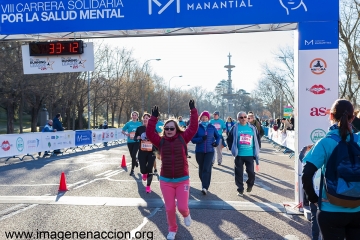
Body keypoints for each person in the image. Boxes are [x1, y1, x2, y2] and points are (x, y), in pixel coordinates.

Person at [302, 99, 360, 240]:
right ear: (353, 117)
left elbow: (307, 174)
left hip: (330, 209)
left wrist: (313, 198)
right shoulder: (358, 141)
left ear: (331, 116)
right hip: (358, 209)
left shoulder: (325, 143)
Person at [146, 100, 198, 240]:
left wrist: (193, 111)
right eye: (167, 128)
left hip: (182, 180)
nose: (169, 130)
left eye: (172, 128)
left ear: (176, 129)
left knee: (181, 207)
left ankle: (186, 214)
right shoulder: (160, 141)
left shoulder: (183, 138)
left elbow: (193, 127)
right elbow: (150, 132)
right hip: (166, 180)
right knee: (169, 209)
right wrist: (153, 118)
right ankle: (172, 229)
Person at [226, 111, 260, 197]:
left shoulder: (252, 128)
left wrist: (257, 149)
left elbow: (257, 139)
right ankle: (240, 189)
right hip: (239, 155)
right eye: (241, 117)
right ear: (238, 119)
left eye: (245, 117)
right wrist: (232, 148)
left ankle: (250, 184)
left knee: (251, 172)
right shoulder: (235, 128)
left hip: (250, 154)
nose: (244, 119)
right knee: (238, 173)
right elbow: (229, 139)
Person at [191, 111, 220, 195]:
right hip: (199, 151)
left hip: (210, 151)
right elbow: (193, 140)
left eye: (206, 117)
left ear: (208, 118)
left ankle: (205, 187)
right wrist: (201, 139)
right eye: (202, 117)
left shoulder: (212, 127)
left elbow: (218, 137)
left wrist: (216, 143)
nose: (204, 118)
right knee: (201, 169)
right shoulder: (197, 127)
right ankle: (204, 183)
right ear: (200, 118)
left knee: (207, 168)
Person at [134, 113, 156, 193]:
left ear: (149, 120)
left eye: (147, 118)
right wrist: (137, 137)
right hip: (142, 151)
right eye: (144, 118)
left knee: (150, 169)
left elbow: (157, 138)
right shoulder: (139, 128)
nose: (145, 119)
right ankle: (144, 173)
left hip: (151, 152)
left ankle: (148, 186)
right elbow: (135, 138)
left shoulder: (153, 128)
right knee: (143, 169)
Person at [121, 111, 142, 176]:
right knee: (132, 156)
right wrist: (126, 134)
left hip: (136, 142)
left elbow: (142, 131)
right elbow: (122, 130)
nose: (134, 116)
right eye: (133, 115)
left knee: (133, 154)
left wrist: (140, 136)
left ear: (137, 116)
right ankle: (135, 161)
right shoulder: (128, 123)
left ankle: (132, 170)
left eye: (135, 115)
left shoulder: (140, 123)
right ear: (131, 116)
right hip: (129, 142)